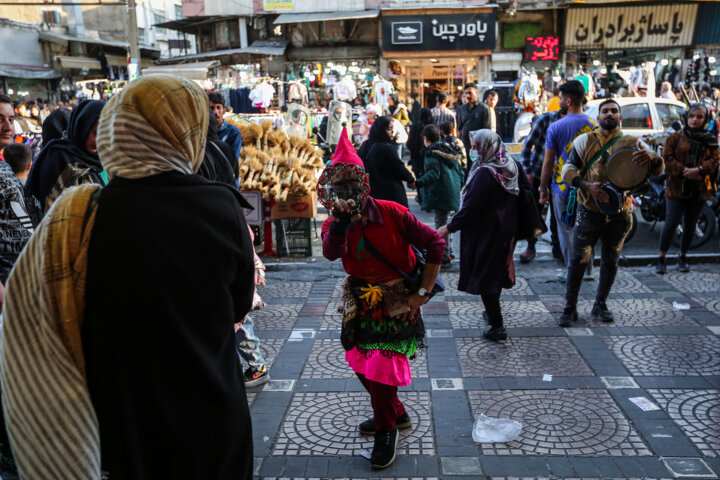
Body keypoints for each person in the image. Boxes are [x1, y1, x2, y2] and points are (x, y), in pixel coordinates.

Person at [0, 74, 255, 479]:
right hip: (211, 404)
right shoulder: (220, 205)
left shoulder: (82, 212)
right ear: (184, 131)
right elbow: (239, 304)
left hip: (127, 415)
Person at [321, 128, 444, 470]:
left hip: (396, 299)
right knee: (358, 359)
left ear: (364, 184)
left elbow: (436, 243)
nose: (346, 192)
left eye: (351, 185)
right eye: (339, 186)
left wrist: (421, 294)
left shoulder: (392, 212)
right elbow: (333, 253)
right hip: (359, 296)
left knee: (380, 367)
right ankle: (396, 413)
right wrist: (342, 224)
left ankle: (386, 429)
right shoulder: (332, 222)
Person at [558, 99, 663, 326]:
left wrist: (653, 157)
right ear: (598, 116)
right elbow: (567, 169)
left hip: (621, 213)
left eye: (614, 111)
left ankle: (600, 305)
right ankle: (570, 308)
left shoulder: (634, 143)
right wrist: (586, 186)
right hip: (589, 210)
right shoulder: (584, 141)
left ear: (620, 117)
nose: (609, 114)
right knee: (577, 260)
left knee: (611, 259)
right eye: (605, 111)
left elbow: (657, 168)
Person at [438, 130, 531, 342]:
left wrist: (448, 228)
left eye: (475, 146)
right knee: (495, 273)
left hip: (486, 233)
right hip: (506, 232)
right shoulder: (511, 165)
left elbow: (470, 209)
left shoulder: (484, 173)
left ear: (486, 146)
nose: (472, 151)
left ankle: (497, 326)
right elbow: (527, 192)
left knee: (485, 276)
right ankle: (491, 314)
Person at [539, 80, 598, 282]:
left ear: (569, 100)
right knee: (588, 228)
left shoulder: (556, 126)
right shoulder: (594, 125)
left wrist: (543, 188)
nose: (560, 102)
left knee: (566, 230)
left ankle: (571, 269)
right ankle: (589, 269)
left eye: (562, 98)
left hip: (563, 186)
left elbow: (548, 161)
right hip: (590, 187)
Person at [656, 103, 720, 273]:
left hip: (700, 187)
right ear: (686, 117)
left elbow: (715, 159)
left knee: (691, 224)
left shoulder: (710, 139)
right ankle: (661, 258)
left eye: (699, 117)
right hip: (676, 186)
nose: (695, 120)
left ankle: (682, 257)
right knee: (671, 223)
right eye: (692, 116)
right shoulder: (675, 138)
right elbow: (667, 158)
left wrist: (699, 170)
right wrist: (685, 170)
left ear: (705, 119)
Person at [26, 99, 106, 213]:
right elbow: (53, 212)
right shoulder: (58, 159)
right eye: (96, 133)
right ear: (82, 126)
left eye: (106, 133)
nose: (100, 140)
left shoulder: (99, 159)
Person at [519, 108, 565, 263]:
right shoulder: (545, 120)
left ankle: (557, 247)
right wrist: (528, 171)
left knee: (558, 213)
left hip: (561, 176)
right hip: (538, 173)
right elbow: (527, 146)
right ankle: (531, 246)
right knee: (534, 211)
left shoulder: (574, 122)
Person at [415, 124, 464, 268]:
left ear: (425, 139)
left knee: (441, 224)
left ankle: (443, 257)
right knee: (447, 223)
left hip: (440, 193)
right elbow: (460, 171)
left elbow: (433, 174)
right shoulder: (448, 147)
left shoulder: (431, 152)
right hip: (452, 191)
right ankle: (448, 251)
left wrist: (418, 183)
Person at [358, 116, 416, 207]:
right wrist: (411, 180)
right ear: (381, 130)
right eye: (389, 129)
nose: (392, 132)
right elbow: (399, 167)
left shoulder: (365, 145)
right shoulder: (386, 148)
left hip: (371, 193)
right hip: (390, 194)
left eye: (392, 129)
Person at [457, 84, 491, 174]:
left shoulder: (484, 109)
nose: (468, 96)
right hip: (465, 147)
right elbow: (459, 129)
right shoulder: (461, 109)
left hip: (479, 148)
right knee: (466, 171)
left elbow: (487, 130)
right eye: (466, 94)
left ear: (476, 92)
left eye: (470, 93)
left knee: (478, 172)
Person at [208, 91, 242, 161]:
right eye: (212, 108)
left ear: (224, 111)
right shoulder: (202, 132)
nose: (215, 112)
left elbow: (233, 161)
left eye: (218, 108)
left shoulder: (233, 133)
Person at [407, 107, 433, 179]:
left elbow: (409, 143)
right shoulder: (433, 127)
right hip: (431, 158)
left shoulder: (414, 126)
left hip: (417, 158)